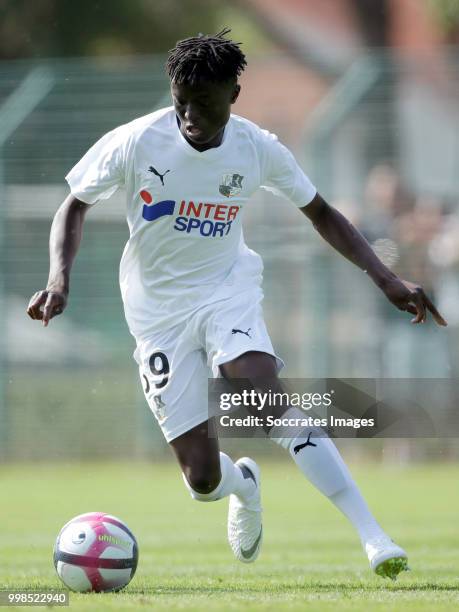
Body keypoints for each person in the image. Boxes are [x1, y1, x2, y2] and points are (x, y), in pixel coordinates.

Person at [27, 29, 447, 580]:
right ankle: (242, 485)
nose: (190, 115)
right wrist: (59, 279)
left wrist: (386, 278)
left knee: (262, 396)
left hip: (227, 290)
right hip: (157, 315)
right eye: (181, 100)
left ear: (235, 94)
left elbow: (321, 212)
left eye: (205, 102)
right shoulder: (135, 142)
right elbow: (74, 206)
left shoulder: (257, 148)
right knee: (202, 480)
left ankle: (374, 537)